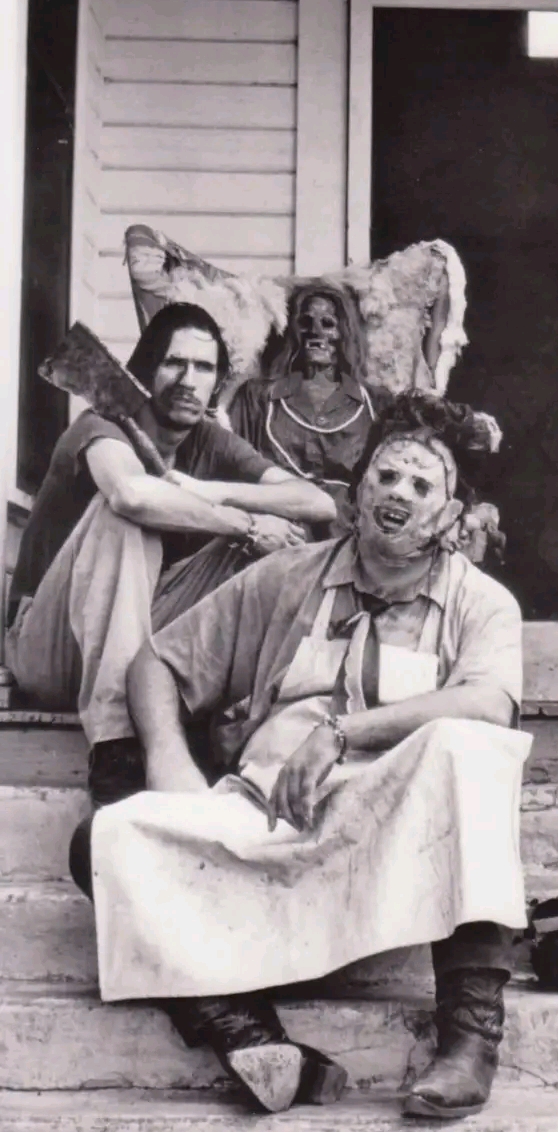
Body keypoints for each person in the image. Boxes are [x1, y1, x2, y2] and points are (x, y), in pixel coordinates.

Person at [69, 393, 529, 1120]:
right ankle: (251, 1035)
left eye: (421, 484)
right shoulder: (288, 576)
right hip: (266, 818)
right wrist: (168, 757)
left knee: (469, 746)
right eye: (385, 475)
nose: (398, 494)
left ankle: (469, 1039)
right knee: (103, 838)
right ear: (358, 491)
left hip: (391, 843)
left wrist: (343, 734)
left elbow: (490, 703)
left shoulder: (483, 603)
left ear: (450, 511)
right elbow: (155, 663)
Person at [7, 302, 337, 803]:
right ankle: (116, 747)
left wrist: (213, 492)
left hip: (133, 638)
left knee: (286, 537)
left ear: (217, 382)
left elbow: (317, 501)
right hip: (51, 648)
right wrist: (245, 523)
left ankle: (236, 718)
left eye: (203, 367)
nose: (188, 380)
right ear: (146, 369)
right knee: (126, 516)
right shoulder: (101, 423)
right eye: (174, 363)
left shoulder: (209, 440)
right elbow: (131, 495)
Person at [228, 282, 383, 536]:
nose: (315, 331)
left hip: (349, 540)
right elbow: (230, 467)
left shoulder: (376, 403)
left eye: (328, 324)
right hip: (276, 537)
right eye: (305, 322)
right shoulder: (256, 397)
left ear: (345, 334)